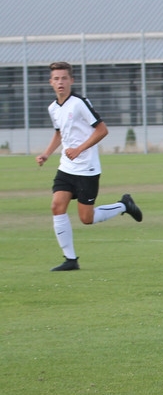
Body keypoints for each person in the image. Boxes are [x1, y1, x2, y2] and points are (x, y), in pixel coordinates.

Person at [36, 61, 142, 271]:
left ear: (71, 80)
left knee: (87, 218)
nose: (60, 82)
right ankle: (70, 259)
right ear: (51, 82)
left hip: (87, 169)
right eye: (56, 79)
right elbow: (59, 133)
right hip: (66, 167)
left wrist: (79, 149)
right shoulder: (53, 108)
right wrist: (46, 154)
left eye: (64, 78)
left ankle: (124, 205)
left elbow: (102, 130)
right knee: (57, 206)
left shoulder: (79, 103)